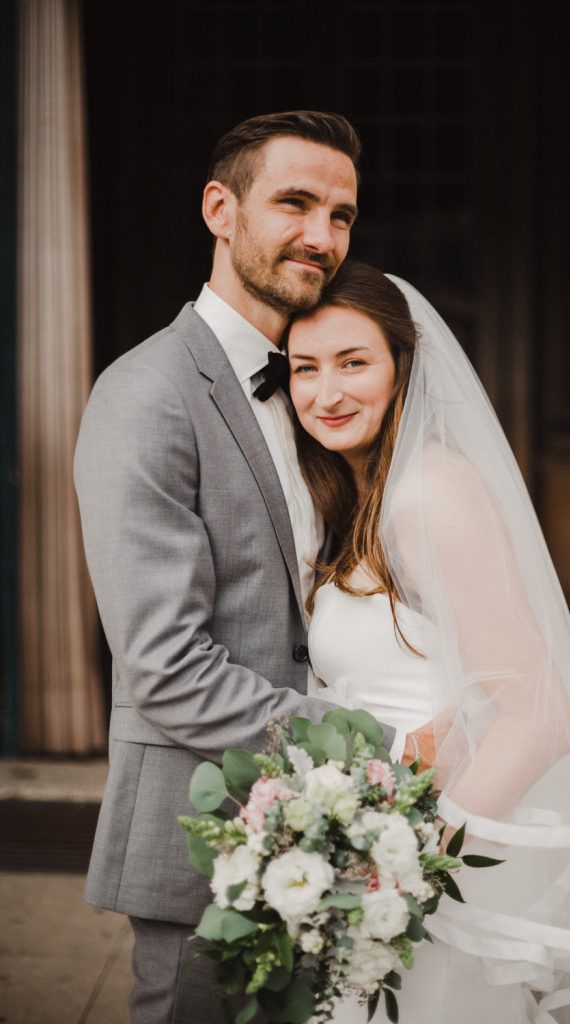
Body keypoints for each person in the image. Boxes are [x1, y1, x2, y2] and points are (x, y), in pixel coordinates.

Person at [73, 112, 431, 1024]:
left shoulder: (319, 389)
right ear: (219, 209)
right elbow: (164, 667)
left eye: (342, 215)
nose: (322, 235)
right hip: (205, 834)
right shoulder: (145, 395)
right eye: (295, 203)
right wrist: (379, 748)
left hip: (335, 835)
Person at [287, 261, 570, 1023]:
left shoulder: (428, 494)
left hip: (437, 867)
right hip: (379, 839)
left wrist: (410, 870)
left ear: (402, 368)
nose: (325, 393)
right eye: (305, 368)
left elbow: (540, 715)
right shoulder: (357, 496)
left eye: (352, 362)